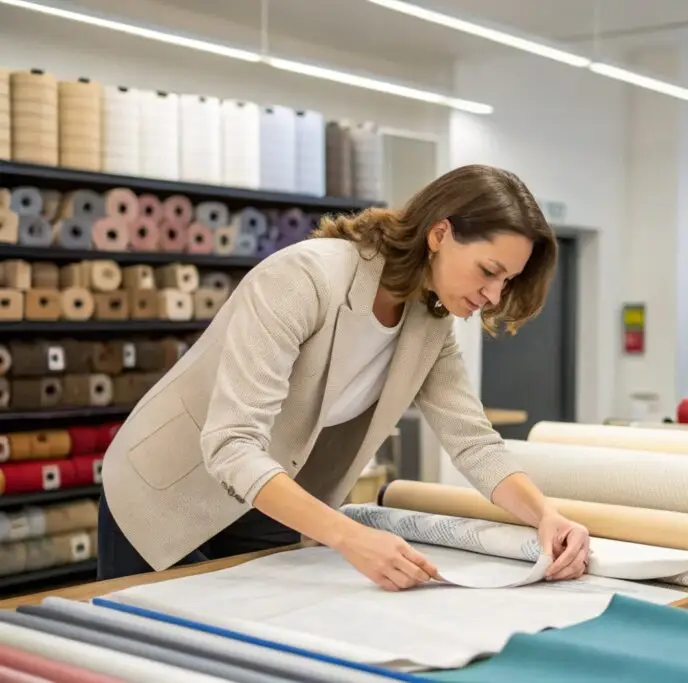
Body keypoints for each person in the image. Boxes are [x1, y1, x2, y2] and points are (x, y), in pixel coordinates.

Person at [96, 164, 591, 591]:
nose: (494, 295)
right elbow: (233, 445)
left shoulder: (429, 325)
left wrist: (544, 516)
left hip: (273, 493)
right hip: (168, 488)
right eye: (489, 270)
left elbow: (473, 444)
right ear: (439, 234)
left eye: (506, 281)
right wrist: (348, 535)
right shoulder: (304, 278)